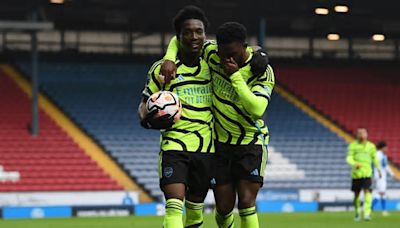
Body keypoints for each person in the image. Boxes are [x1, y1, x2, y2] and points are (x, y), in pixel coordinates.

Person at [162, 22, 274, 228]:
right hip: (220, 145)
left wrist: (235, 76)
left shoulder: (262, 71)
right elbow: (182, 39)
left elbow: (257, 108)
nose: (225, 59)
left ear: (244, 47)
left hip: (250, 142)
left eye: (231, 54)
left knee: (247, 202)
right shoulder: (213, 52)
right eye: (222, 54)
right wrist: (169, 57)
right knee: (223, 207)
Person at [138, 6, 213, 228]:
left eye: (198, 31)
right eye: (187, 32)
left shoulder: (213, 63)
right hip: (174, 146)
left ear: (205, 35)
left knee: (195, 213)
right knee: (173, 205)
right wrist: (149, 120)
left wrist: (259, 54)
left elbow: (241, 46)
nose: (194, 36)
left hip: (206, 147)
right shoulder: (162, 70)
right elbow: (143, 107)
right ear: (178, 37)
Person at [346, 128, 381, 221]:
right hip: (356, 174)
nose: (361, 135)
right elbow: (349, 158)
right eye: (359, 133)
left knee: (367, 192)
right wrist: (354, 163)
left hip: (367, 173)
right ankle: (357, 212)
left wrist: (379, 169)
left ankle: (367, 213)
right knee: (356, 194)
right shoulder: (353, 145)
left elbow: (375, 159)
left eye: (363, 133)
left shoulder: (371, 146)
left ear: (367, 135)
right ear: (357, 135)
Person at [372, 141, 400, 216]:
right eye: (386, 147)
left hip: (377, 176)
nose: (387, 149)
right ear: (383, 147)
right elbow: (386, 166)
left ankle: (384, 210)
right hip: (381, 176)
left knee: (382, 193)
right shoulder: (381, 155)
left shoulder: (375, 154)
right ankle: (370, 208)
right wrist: (393, 175)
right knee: (381, 192)